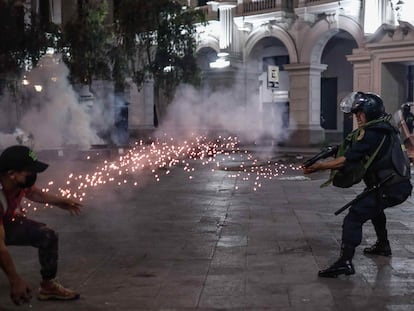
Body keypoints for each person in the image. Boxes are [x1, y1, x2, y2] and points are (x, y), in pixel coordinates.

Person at [303, 92, 412, 278]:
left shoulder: (373, 133)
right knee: (375, 209)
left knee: (353, 217)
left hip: (390, 187)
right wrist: (331, 151)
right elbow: (355, 147)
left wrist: (320, 166)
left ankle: (345, 262)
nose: (357, 118)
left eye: (359, 113)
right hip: (396, 185)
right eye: (356, 114)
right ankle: (383, 245)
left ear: (369, 113)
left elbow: (348, 159)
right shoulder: (382, 128)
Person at [0, 145, 82, 305]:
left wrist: (61, 202)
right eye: (29, 172)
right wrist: (15, 280)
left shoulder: (17, 182)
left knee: (46, 235)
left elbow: (34, 193)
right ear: (11, 174)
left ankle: (48, 287)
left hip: (5, 221)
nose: (33, 175)